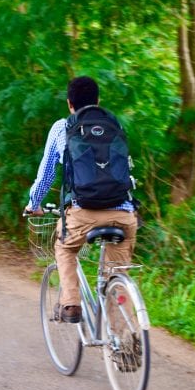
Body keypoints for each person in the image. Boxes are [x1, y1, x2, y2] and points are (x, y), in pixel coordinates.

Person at [24, 76, 137, 324]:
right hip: (123, 214)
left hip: (83, 212)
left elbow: (46, 174)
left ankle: (71, 304)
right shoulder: (114, 125)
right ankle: (126, 345)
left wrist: (34, 203)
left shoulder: (62, 127)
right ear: (98, 101)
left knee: (64, 246)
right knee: (116, 275)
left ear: (69, 104)